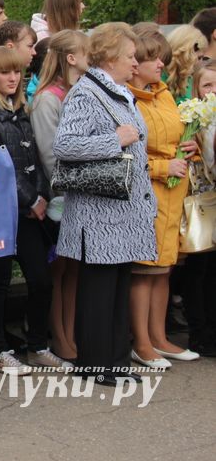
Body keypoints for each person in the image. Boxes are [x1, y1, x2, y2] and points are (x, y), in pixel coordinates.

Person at [53, 22, 157, 387]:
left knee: (117, 289)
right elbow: (65, 145)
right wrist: (114, 139)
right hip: (99, 214)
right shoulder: (86, 93)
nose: (135, 63)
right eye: (130, 56)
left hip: (121, 213)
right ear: (110, 57)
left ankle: (116, 362)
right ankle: (95, 364)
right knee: (99, 291)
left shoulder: (116, 91)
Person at [0, 46, 71, 373]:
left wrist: (42, 194)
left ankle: (38, 345)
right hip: (1, 210)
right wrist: (31, 199)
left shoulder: (22, 109)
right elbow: (0, 163)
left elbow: (34, 160)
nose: (13, 78)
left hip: (30, 210)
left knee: (41, 280)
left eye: (18, 72)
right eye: (5, 72)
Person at [126, 33, 200, 368]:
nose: (161, 65)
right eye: (154, 59)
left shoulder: (164, 94)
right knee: (144, 271)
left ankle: (159, 337)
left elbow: (175, 137)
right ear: (135, 64)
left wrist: (191, 148)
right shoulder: (129, 99)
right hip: (149, 194)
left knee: (164, 270)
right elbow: (125, 156)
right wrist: (160, 166)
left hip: (173, 193)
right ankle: (141, 342)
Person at [29, 29, 90, 362]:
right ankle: (59, 336)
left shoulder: (78, 93)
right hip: (61, 197)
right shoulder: (47, 99)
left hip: (81, 197)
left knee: (75, 271)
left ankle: (71, 333)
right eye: (86, 52)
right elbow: (51, 155)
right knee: (59, 269)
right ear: (70, 57)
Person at [183, 59, 216, 357]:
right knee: (199, 268)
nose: (213, 92)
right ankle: (199, 331)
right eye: (207, 85)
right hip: (202, 203)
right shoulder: (191, 119)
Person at [164, 25, 207, 104]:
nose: (200, 63)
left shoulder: (189, 79)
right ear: (186, 54)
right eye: (199, 57)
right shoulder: (158, 77)